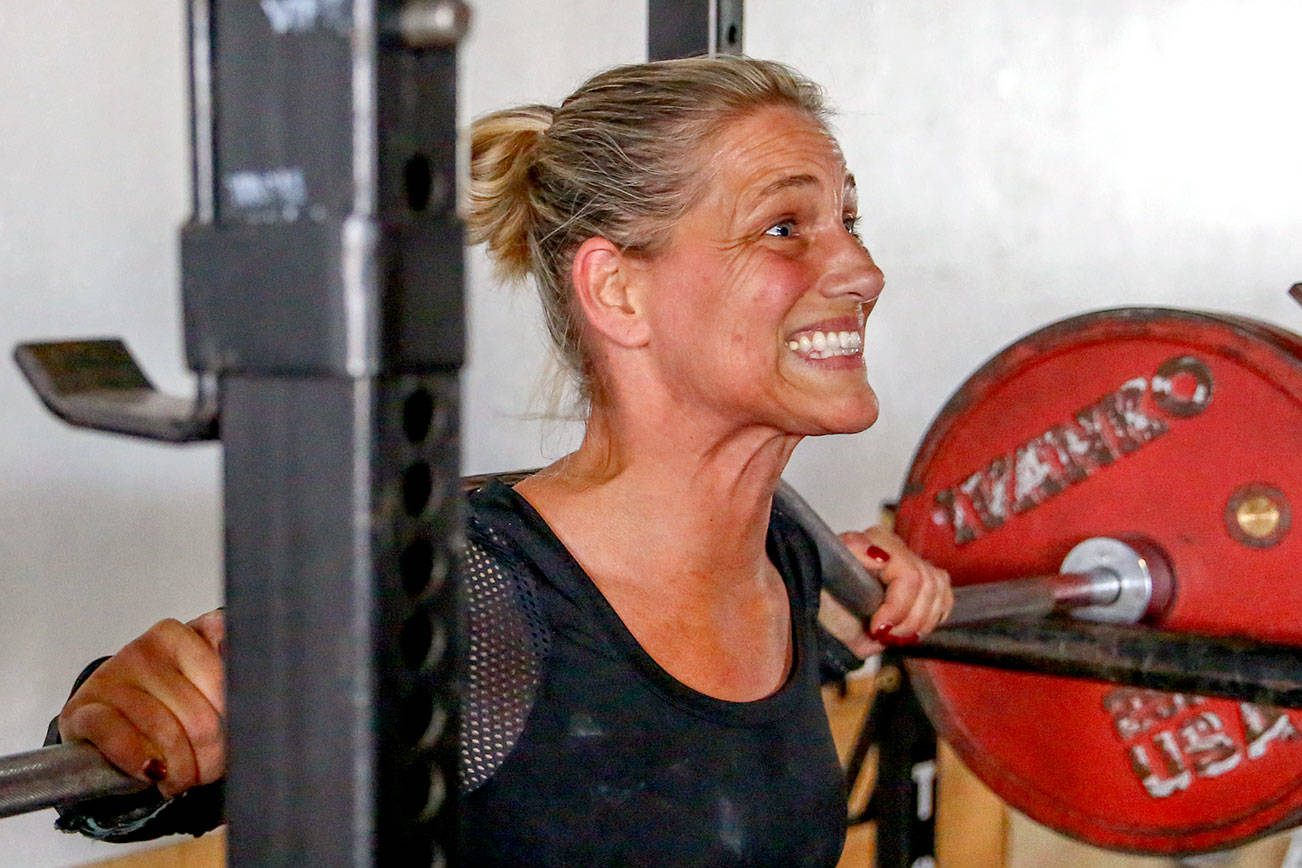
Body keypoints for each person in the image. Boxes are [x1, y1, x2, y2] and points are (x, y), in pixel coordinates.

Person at [50, 55, 952, 864]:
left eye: (848, 220)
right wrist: (124, 715)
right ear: (618, 290)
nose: (862, 268)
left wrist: (865, 606)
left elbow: (692, 730)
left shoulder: (789, 559)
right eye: (785, 228)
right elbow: (152, 759)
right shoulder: (470, 597)